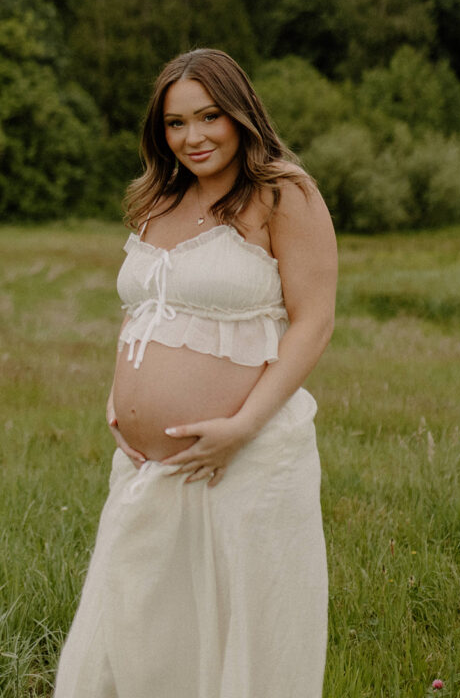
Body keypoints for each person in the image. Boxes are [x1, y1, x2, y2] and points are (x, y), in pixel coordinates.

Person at [54, 48, 338, 698]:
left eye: (209, 116)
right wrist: (118, 399)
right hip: (145, 466)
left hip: (247, 459)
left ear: (241, 115)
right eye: (176, 123)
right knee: (143, 633)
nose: (193, 137)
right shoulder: (158, 198)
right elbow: (144, 313)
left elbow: (313, 321)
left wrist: (240, 426)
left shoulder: (281, 193)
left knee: (244, 635)